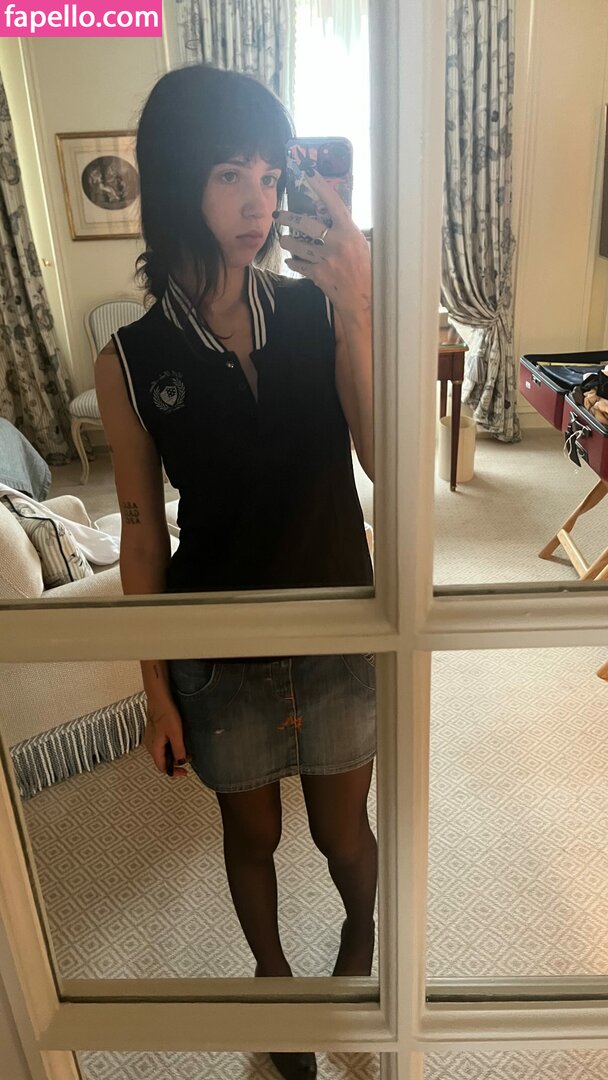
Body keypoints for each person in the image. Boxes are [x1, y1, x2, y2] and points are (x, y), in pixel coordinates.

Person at [95, 64, 375, 1080]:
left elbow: (382, 457)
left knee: (344, 837)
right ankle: (273, 981)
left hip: (338, 629)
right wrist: (155, 686)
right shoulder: (129, 359)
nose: (258, 202)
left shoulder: (314, 309)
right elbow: (139, 533)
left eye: (267, 174)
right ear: (179, 183)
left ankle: (360, 937)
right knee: (250, 837)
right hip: (221, 651)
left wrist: (359, 306)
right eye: (228, 175)